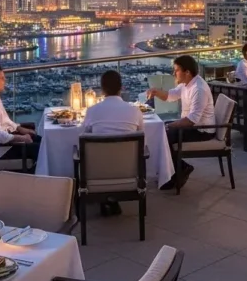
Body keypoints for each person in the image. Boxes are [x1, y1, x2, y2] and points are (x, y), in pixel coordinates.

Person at [147, 55, 217, 192]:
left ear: (187, 72)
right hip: (193, 125)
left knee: (165, 135)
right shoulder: (187, 84)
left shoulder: (199, 89)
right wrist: (156, 92)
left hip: (202, 130)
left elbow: (192, 120)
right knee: (164, 132)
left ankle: (180, 170)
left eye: (176, 70)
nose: (174, 73)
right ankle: (172, 173)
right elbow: (171, 95)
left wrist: (169, 126)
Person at [81, 70, 144, 216]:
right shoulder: (135, 111)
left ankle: (102, 198)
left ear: (102, 89)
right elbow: (142, 136)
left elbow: (83, 135)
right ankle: (112, 199)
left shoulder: (92, 111)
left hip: (97, 173)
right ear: (121, 88)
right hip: (128, 171)